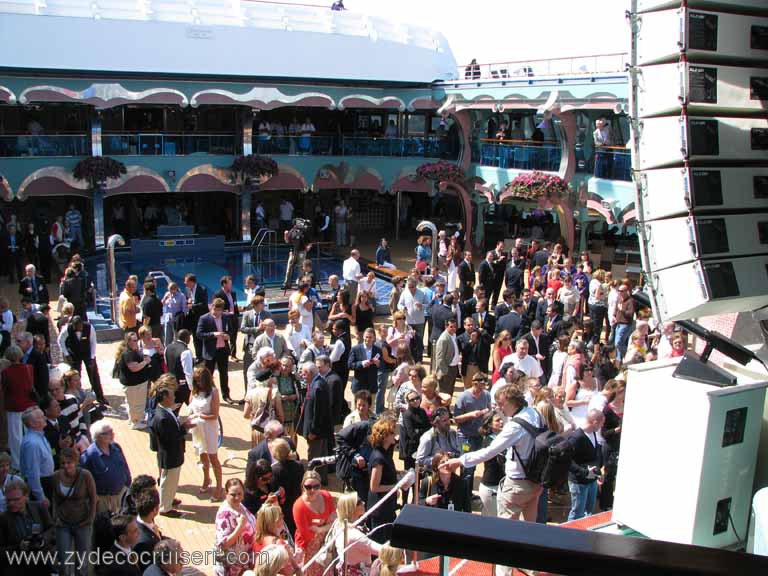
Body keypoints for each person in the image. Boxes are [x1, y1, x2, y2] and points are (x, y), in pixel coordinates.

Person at [441, 385, 544, 528]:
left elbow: (490, 451)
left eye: (501, 404)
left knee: (506, 531)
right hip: (536, 482)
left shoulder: (514, 426)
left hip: (516, 486)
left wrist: (460, 460)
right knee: (530, 528)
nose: (500, 408)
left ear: (511, 401)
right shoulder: (536, 413)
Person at [149, 380, 196, 517]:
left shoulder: (165, 411)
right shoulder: (162, 418)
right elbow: (170, 437)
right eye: (171, 395)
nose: (175, 397)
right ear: (164, 398)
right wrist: (185, 428)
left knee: (171, 480)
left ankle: (168, 500)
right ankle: (165, 507)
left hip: (172, 454)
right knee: (168, 480)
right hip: (170, 455)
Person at [52, 447, 97, 576]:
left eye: (69, 462)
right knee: (63, 559)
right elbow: (55, 498)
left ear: (76, 462)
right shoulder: (56, 476)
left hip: (82, 521)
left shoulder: (85, 475)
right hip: (63, 522)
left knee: (82, 560)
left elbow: (94, 498)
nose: (66, 466)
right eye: (63, 463)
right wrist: (55, 516)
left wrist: (90, 518)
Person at [0, 479, 56, 576]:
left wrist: (42, 539)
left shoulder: (39, 508)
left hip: (42, 562)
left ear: (26, 496)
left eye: (16, 499)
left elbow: (52, 530)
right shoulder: (3, 519)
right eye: (8, 500)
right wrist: (19, 547)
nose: (11, 503)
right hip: (18, 567)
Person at [453, 372, 491, 502]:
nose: (482, 388)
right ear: (474, 383)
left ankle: (468, 494)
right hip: (465, 436)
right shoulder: (463, 397)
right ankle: (462, 496)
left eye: (484, 385)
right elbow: (456, 419)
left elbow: (489, 411)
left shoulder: (486, 395)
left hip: (479, 436)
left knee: (473, 465)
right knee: (466, 467)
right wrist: (471, 415)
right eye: (480, 385)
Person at [80, 420, 132, 514]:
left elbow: (125, 466)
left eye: (112, 431)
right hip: (103, 500)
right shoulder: (89, 455)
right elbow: (84, 480)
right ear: (98, 436)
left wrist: (128, 483)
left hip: (121, 494)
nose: (112, 434)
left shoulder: (116, 447)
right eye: (108, 433)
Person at [189, 365, 224, 501]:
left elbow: (214, 415)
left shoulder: (214, 392)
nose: (198, 383)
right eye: (196, 381)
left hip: (209, 429)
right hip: (197, 429)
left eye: (200, 381)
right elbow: (190, 406)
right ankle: (206, 479)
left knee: (213, 458)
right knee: (202, 456)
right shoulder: (194, 391)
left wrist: (200, 416)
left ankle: (219, 487)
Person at [292, 470, 335, 576]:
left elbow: (334, 520)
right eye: (308, 487)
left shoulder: (326, 496)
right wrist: (326, 526)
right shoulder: (299, 506)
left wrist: (320, 529)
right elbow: (307, 535)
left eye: (316, 486)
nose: (312, 490)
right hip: (307, 547)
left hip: (325, 542)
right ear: (303, 486)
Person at [297, 362, 332, 485]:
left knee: (314, 457)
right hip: (320, 431)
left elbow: (318, 413)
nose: (302, 375)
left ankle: (312, 482)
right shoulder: (316, 383)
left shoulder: (317, 387)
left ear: (311, 374)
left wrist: (313, 431)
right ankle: (321, 480)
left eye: (304, 373)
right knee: (321, 456)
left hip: (317, 432)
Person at [58, 315, 106, 403]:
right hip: (74, 354)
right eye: (76, 327)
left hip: (87, 353)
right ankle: (77, 397)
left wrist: (91, 358)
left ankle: (100, 396)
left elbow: (93, 342)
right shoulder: (67, 329)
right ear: (73, 325)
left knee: (94, 374)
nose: (79, 328)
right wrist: (66, 354)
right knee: (74, 376)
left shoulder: (89, 327)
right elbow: (60, 340)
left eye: (80, 326)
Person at [567, 409, 605, 521]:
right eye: (601, 423)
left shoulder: (593, 433)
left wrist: (599, 472)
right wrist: (584, 472)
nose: (602, 426)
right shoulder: (576, 438)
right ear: (595, 422)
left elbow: (595, 454)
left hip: (591, 481)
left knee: (588, 511)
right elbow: (567, 461)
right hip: (579, 482)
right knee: (577, 513)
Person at [2, 346, 36, 469]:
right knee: (31, 434)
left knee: (15, 437)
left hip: (13, 406)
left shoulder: (5, 373)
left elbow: (5, 389)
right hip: (29, 405)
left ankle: (17, 465)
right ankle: (32, 460)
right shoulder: (29, 368)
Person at [215, 478, 257, 576]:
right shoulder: (224, 515)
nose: (237, 497)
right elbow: (224, 544)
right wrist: (240, 527)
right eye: (233, 495)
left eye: (240, 494)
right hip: (232, 566)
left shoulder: (240, 506)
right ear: (226, 494)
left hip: (245, 559)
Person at [333, 492, 382, 576]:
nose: (363, 502)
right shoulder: (354, 536)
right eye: (359, 502)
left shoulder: (339, 524)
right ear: (351, 509)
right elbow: (381, 550)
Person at [198, 298, 234, 404]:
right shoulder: (204, 318)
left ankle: (226, 395)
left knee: (224, 374)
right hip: (210, 352)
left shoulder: (226, 317)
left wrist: (228, 336)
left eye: (218, 311)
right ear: (211, 307)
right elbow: (199, 334)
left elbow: (231, 330)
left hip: (223, 350)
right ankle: (207, 395)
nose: (216, 312)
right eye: (214, 310)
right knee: (208, 375)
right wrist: (213, 334)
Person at [366, 419, 397, 544]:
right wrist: (395, 487)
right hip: (380, 510)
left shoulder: (385, 453)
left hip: (387, 507)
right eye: (392, 433)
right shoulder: (379, 458)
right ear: (385, 437)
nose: (394, 435)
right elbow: (374, 487)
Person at [19, 407, 55, 506]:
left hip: (47, 482)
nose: (45, 418)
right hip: (41, 485)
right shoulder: (32, 443)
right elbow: (32, 473)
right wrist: (41, 496)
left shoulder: (40, 437)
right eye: (41, 417)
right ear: (32, 423)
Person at [251, 504, 301, 574]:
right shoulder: (278, 544)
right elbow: (287, 571)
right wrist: (296, 559)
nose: (283, 518)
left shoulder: (256, 539)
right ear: (274, 522)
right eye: (280, 517)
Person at [270, 438, 304, 537]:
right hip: (296, 501)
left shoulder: (274, 470)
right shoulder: (299, 465)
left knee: (284, 530)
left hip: (283, 507)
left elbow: (273, 489)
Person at [115, 332, 150, 428]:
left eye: (137, 340)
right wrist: (145, 362)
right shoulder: (128, 354)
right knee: (136, 405)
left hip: (136, 384)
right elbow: (134, 368)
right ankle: (136, 422)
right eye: (134, 340)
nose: (136, 342)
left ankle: (135, 419)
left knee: (133, 404)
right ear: (128, 342)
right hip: (134, 385)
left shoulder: (133, 351)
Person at [164, 329, 194, 409]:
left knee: (173, 410)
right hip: (184, 387)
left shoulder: (168, 348)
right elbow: (188, 373)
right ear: (187, 338)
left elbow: (167, 365)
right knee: (195, 409)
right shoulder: (186, 352)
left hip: (172, 385)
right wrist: (192, 389)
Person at [213, 276, 241, 362]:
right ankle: (225, 353)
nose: (231, 285)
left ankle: (233, 355)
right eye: (229, 283)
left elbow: (234, 304)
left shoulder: (233, 293)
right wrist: (225, 312)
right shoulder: (218, 294)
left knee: (234, 336)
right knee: (225, 336)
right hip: (224, 319)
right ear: (224, 284)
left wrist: (237, 312)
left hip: (234, 317)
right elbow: (215, 307)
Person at [433, 318, 460, 398]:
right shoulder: (443, 339)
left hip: (454, 367)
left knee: (450, 390)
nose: (454, 329)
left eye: (455, 327)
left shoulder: (454, 335)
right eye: (451, 327)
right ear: (446, 326)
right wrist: (445, 371)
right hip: (447, 370)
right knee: (444, 393)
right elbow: (439, 358)